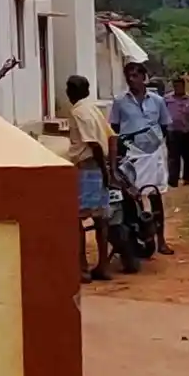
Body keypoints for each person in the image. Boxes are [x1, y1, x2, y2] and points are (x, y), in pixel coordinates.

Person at [109, 58, 172, 255]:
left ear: (144, 78)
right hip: (132, 154)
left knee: (155, 194)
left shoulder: (158, 101)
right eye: (128, 76)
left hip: (153, 153)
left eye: (135, 75)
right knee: (133, 195)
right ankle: (140, 235)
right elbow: (115, 128)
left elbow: (164, 125)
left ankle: (161, 239)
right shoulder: (120, 101)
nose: (131, 79)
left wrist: (155, 143)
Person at [61, 73, 120, 279]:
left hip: (87, 168)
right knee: (101, 219)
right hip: (99, 167)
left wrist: (106, 172)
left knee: (76, 218)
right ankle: (103, 265)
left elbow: (93, 143)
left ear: (71, 92)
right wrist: (110, 169)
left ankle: (82, 266)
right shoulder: (94, 110)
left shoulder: (78, 112)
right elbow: (112, 138)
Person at [162, 70, 189, 190]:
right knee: (173, 157)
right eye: (175, 86)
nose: (178, 88)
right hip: (172, 131)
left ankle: (187, 177)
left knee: (188, 156)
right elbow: (162, 114)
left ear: (184, 86)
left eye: (180, 86)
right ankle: (173, 180)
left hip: (186, 131)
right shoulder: (166, 99)